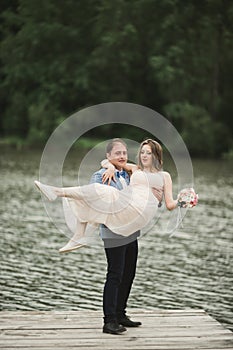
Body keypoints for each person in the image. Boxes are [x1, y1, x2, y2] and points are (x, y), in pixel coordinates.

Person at [34, 138, 189, 333]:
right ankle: (109, 321)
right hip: (115, 224)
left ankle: (120, 314)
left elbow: (169, 204)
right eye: (142, 152)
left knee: (128, 273)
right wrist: (108, 166)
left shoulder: (157, 175)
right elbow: (103, 170)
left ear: (157, 155)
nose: (143, 156)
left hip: (133, 225)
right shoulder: (134, 171)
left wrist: (184, 201)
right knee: (115, 272)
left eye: (148, 153)